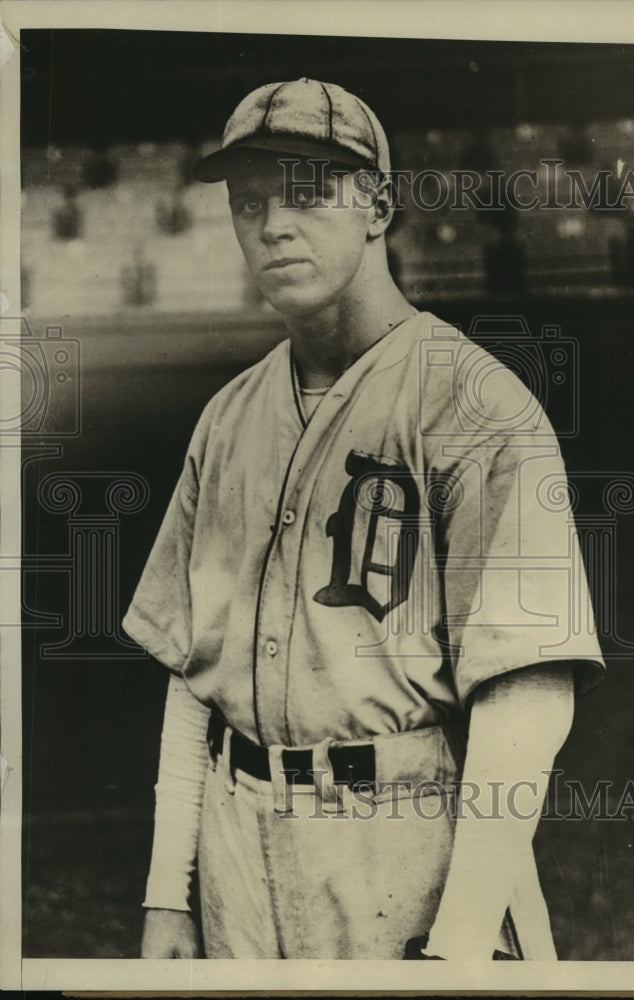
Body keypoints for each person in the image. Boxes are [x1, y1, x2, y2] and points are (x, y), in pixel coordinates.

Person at [122, 78, 604, 961]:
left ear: (377, 206)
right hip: (234, 842)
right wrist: (167, 894)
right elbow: (194, 671)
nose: (273, 224)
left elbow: (526, 695)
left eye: (307, 191)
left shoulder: (476, 406)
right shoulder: (227, 418)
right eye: (249, 202)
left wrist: (460, 940)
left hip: (398, 838)